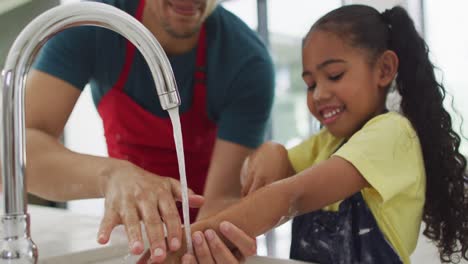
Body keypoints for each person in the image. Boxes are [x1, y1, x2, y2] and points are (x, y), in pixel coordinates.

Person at [174, 4, 468, 264]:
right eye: (310, 84)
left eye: (335, 76)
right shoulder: (325, 144)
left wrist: (184, 245)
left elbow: (291, 195)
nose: (319, 94)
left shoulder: (392, 135)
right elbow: (267, 176)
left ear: (384, 69)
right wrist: (271, 152)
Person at [25, 0, 273, 262]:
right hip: (127, 235)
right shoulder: (93, 27)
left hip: (203, 231)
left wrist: (189, 249)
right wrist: (110, 176)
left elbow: (223, 197)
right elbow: (17, 151)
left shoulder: (247, 61)